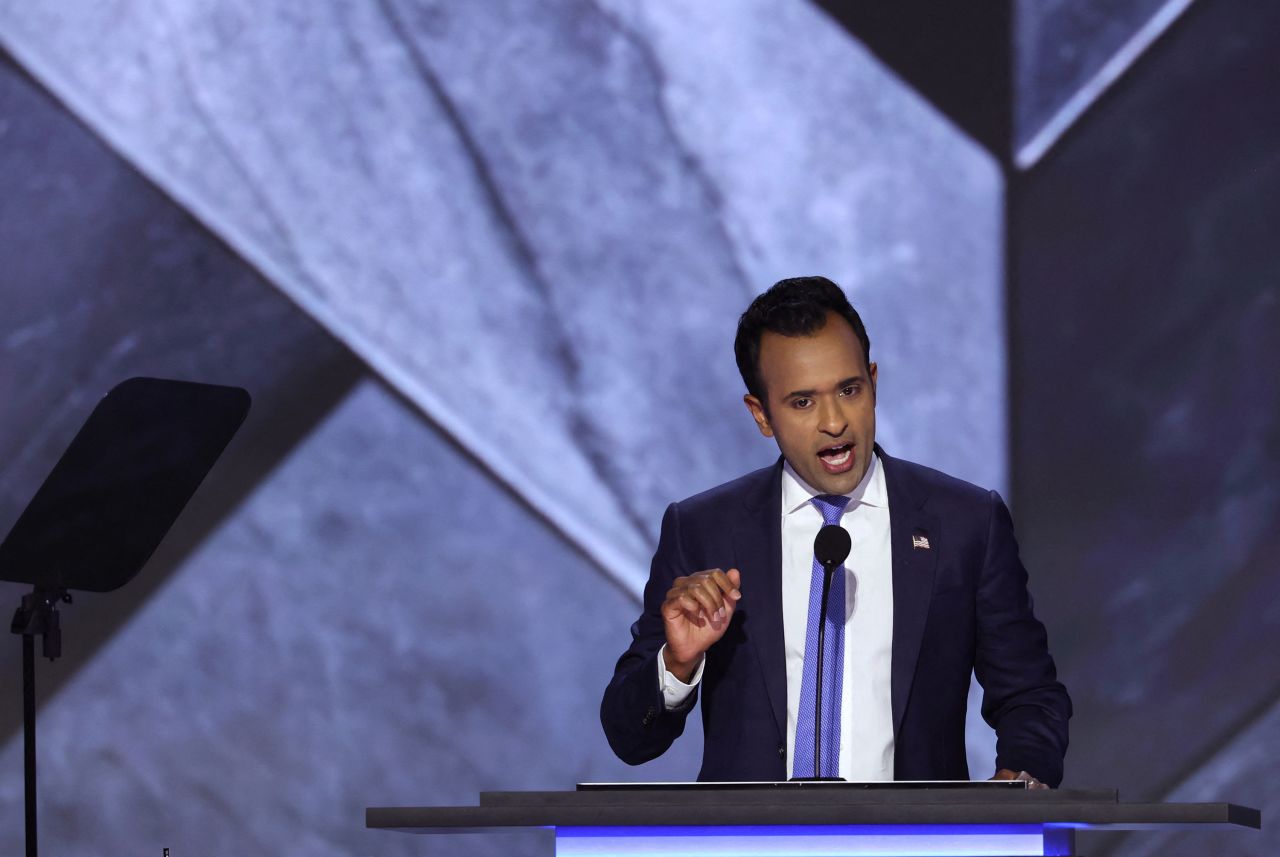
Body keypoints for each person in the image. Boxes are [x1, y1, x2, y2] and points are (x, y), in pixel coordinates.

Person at [600, 276, 1071, 786]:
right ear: (761, 414)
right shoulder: (702, 530)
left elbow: (1030, 696)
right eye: (802, 402)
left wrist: (1014, 786)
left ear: (873, 382)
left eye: (849, 390)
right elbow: (630, 739)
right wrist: (678, 661)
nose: (834, 422)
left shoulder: (964, 522)